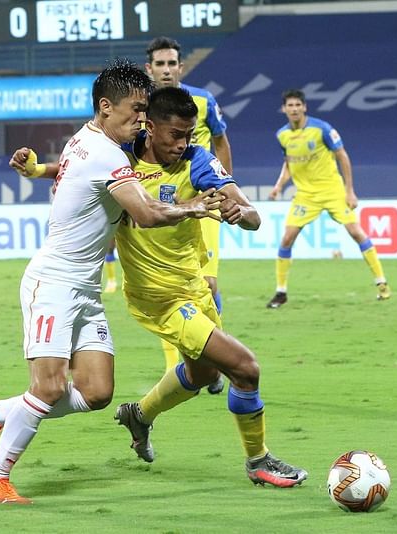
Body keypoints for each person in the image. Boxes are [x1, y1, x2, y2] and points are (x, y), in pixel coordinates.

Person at [0, 60, 220, 505]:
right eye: (136, 109)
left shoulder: (87, 138)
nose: (142, 120)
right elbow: (146, 214)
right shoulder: (105, 153)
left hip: (84, 290)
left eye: (145, 111)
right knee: (47, 387)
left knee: (97, 392)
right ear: (106, 106)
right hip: (54, 283)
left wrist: (34, 169)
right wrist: (194, 207)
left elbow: (66, 172)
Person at [112, 87, 307, 488]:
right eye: (176, 135)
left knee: (200, 374)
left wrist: (243, 213)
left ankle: (140, 414)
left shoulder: (197, 160)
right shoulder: (120, 155)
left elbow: (251, 215)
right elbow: (72, 167)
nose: (183, 143)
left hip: (193, 288)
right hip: (157, 299)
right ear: (149, 127)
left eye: (189, 134)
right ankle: (258, 461)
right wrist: (36, 170)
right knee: (245, 368)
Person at [145, 36, 232, 393]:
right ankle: (177, 368)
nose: (166, 70)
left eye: (172, 64)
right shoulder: (142, 106)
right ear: (150, 69)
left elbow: (222, 141)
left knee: (207, 283)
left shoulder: (203, 100)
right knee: (167, 287)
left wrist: (226, 188)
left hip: (203, 203)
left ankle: (218, 358)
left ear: (181, 67)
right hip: (162, 206)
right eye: (160, 64)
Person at [266, 89, 391, 308]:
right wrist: (278, 186)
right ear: (284, 109)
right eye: (290, 105)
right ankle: (281, 292)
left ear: (304, 107)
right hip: (305, 195)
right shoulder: (282, 135)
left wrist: (349, 190)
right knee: (287, 238)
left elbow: (343, 156)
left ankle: (382, 283)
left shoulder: (321, 128)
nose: (294, 109)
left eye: (298, 105)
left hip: (332, 190)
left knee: (355, 232)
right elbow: (289, 163)